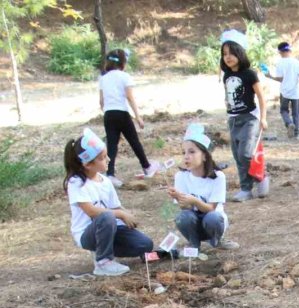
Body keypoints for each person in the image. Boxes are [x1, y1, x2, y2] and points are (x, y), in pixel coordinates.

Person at [64, 128, 153, 277]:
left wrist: (127, 216)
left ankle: (105, 250)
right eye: (103, 158)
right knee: (107, 216)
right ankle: (103, 262)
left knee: (145, 244)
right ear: (87, 164)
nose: (109, 160)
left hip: (111, 227)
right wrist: (120, 214)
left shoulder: (105, 181)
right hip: (88, 233)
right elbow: (91, 211)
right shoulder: (76, 182)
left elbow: (115, 206)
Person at [169, 124, 238, 256]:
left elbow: (212, 209)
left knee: (213, 217)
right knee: (183, 217)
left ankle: (217, 240)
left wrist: (194, 200)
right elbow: (185, 210)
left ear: (205, 156)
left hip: (212, 222)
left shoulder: (218, 177)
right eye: (184, 152)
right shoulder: (181, 176)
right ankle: (193, 244)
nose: (186, 156)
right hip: (194, 222)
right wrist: (179, 198)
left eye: (192, 152)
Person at [98, 49, 159, 188]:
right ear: (123, 63)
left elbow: (101, 101)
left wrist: (107, 110)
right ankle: (147, 166)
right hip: (122, 113)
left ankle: (110, 173)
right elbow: (130, 97)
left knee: (112, 144)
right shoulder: (125, 77)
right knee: (134, 141)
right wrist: (138, 117)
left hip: (108, 114)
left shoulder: (103, 78)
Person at [220, 29, 269, 202]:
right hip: (234, 120)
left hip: (250, 118)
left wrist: (263, 118)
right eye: (225, 54)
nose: (228, 57)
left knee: (245, 153)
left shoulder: (250, 74)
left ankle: (261, 176)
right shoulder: (227, 75)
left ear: (240, 53)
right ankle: (245, 189)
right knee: (237, 155)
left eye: (232, 53)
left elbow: (261, 98)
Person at [262, 41, 299, 139]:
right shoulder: (296, 62)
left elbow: (280, 79)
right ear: (289, 50)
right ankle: (296, 132)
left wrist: (270, 77)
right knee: (296, 113)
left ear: (280, 52)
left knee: (284, 110)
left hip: (285, 92)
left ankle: (289, 123)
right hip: (296, 92)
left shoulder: (280, 63)